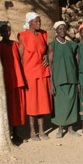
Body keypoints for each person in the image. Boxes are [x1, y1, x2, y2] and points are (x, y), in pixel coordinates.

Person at [18, 12, 52, 140]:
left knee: (42, 103)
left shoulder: (43, 34)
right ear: (30, 23)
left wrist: (47, 57)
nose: (39, 23)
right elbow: (20, 58)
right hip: (30, 74)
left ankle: (42, 130)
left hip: (42, 73)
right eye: (36, 21)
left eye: (40, 21)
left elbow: (47, 50)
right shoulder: (23, 36)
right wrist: (23, 77)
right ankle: (32, 131)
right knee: (32, 104)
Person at [48, 21, 80, 137]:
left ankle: (71, 128)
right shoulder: (53, 45)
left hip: (71, 78)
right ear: (56, 31)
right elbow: (50, 64)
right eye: (60, 29)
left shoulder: (71, 45)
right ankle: (60, 129)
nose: (62, 31)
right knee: (60, 105)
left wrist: (77, 80)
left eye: (64, 29)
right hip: (59, 79)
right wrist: (52, 82)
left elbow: (76, 62)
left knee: (72, 103)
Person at [0, 21, 27, 139]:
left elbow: (21, 60)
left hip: (17, 79)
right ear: (0, 32)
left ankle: (15, 132)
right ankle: (8, 132)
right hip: (6, 80)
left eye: (8, 30)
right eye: (4, 30)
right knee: (7, 107)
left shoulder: (15, 44)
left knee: (16, 107)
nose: (6, 32)